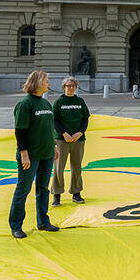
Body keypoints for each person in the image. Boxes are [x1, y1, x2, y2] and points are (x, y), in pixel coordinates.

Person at [10, 70, 60, 238]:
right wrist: (24, 153)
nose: (49, 84)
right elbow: (20, 131)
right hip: (30, 156)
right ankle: (16, 225)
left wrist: (54, 146)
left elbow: (49, 129)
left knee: (43, 188)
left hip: (46, 154)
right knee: (23, 189)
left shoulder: (46, 104)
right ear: (37, 83)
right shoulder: (25, 104)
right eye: (46, 81)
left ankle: (43, 221)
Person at [52, 76, 89, 207]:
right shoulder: (59, 102)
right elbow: (55, 120)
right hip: (62, 140)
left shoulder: (80, 101)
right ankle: (57, 194)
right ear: (64, 87)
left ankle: (76, 192)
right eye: (68, 86)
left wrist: (80, 132)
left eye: (73, 86)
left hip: (78, 140)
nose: (71, 88)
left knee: (77, 167)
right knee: (58, 167)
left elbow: (85, 119)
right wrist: (64, 133)